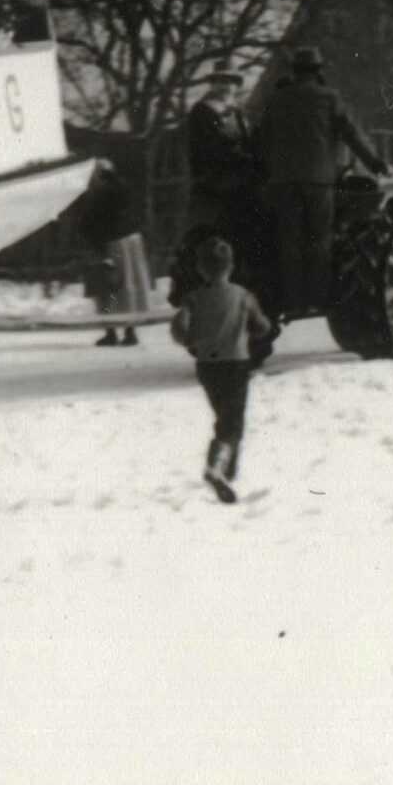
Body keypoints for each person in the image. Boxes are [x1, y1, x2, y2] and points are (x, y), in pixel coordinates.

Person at [254, 46, 386, 321]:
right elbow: (352, 134)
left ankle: (291, 303)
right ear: (318, 71)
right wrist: (375, 163)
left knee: (289, 242)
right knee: (319, 240)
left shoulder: (277, 99)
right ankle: (316, 300)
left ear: (295, 71)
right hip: (318, 182)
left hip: (283, 182)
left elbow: (261, 138)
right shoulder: (328, 98)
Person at [168, 233, 278, 504]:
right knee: (233, 422)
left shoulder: (192, 299)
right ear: (231, 267)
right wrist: (263, 329)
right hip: (237, 364)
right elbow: (261, 326)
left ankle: (225, 470)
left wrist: (192, 342)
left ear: (200, 268)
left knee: (223, 418)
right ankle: (218, 468)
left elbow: (179, 328)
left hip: (207, 367)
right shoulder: (243, 296)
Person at [179, 67, 263, 304]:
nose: (227, 86)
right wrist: (246, 158)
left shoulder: (237, 113)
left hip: (241, 178)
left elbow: (249, 142)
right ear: (212, 84)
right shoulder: (202, 112)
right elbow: (212, 150)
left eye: (231, 81)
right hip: (216, 182)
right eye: (221, 81)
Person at [76, 160, 153, 347]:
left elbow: (90, 222)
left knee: (106, 287)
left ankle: (111, 332)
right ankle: (130, 330)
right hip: (133, 239)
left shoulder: (98, 192)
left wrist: (93, 246)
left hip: (112, 243)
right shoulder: (126, 188)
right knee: (130, 284)